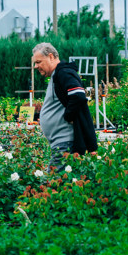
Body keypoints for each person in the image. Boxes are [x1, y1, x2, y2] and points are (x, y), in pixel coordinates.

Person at [32, 42, 98, 171]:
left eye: (39, 62)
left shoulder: (64, 73)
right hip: (61, 142)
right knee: (64, 184)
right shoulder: (57, 76)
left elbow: (78, 95)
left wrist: (68, 116)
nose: (36, 66)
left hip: (65, 142)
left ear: (51, 57)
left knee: (51, 184)